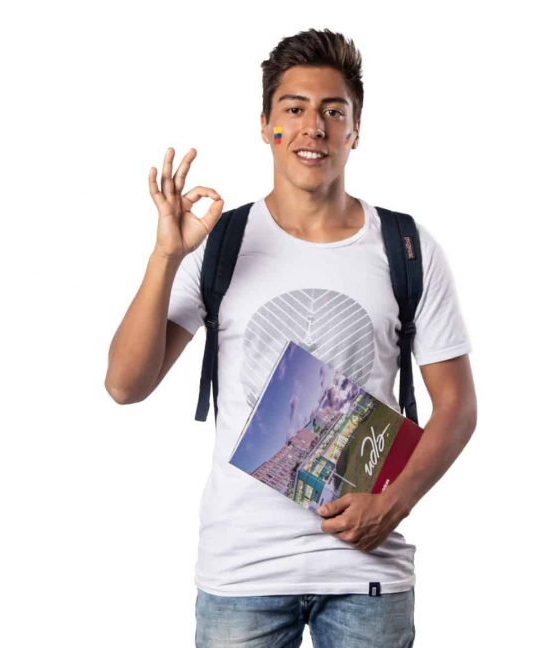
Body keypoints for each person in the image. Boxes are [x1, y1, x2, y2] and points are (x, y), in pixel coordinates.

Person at [105, 27, 477, 648]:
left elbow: (458, 405)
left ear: (355, 130)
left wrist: (395, 504)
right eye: (295, 109)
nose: (314, 128)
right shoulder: (219, 244)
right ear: (266, 126)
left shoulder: (406, 247)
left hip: (366, 572)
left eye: (334, 111)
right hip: (241, 569)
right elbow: (125, 384)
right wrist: (166, 256)